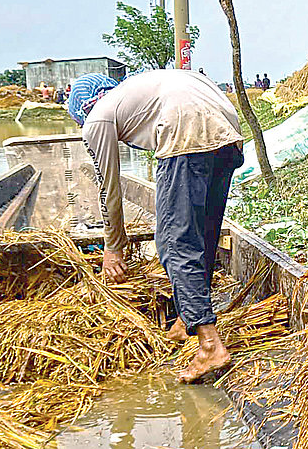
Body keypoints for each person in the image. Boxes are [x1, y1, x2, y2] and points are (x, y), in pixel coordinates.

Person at [67, 69, 245, 384]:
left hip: (185, 126)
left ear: (83, 110)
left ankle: (209, 345)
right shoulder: (135, 91)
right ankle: (184, 318)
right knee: (202, 235)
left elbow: (109, 189)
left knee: (174, 243)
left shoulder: (96, 117)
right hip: (227, 129)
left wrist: (114, 246)